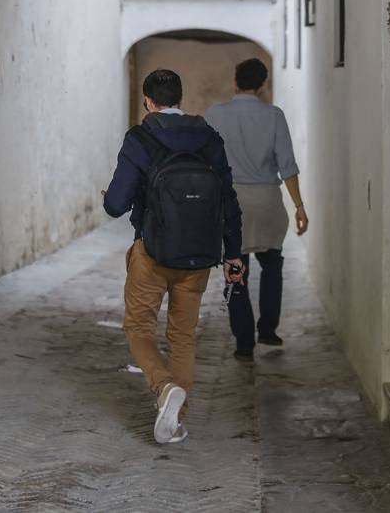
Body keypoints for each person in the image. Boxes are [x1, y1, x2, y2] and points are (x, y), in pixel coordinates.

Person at [103, 68, 244, 445]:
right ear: (180, 99)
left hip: (151, 251)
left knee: (138, 328)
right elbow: (228, 200)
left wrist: (115, 195)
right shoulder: (209, 139)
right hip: (198, 255)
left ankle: (164, 386)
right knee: (182, 337)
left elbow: (115, 205)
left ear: (148, 101)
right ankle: (173, 420)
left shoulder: (140, 137)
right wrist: (233, 254)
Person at [204, 58, 308, 360]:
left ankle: (244, 343)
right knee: (273, 264)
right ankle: (268, 330)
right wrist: (299, 206)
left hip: (231, 203)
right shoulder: (274, 116)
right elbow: (287, 166)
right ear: (263, 85)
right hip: (266, 201)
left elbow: (205, 162)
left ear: (236, 80)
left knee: (236, 271)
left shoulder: (214, 115)